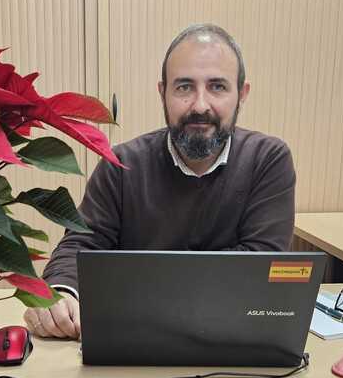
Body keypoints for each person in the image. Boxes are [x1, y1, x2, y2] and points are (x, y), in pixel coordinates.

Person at [23, 24, 296, 339]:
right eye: (184, 87)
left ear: (241, 94)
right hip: (132, 338)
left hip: (230, 337)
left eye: (218, 87)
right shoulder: (120, 164)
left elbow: (262, 263)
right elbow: (81, 244)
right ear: (163, 93)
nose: (200, 105)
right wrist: (61, 291)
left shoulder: (268, 160)